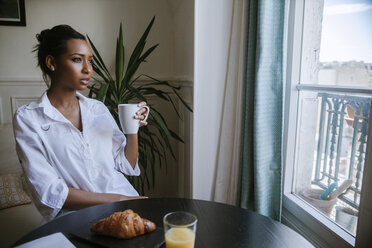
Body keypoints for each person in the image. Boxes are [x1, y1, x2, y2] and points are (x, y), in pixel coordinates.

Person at [13, 25, 148, 221]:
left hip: (125, 207)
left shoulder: (97, 109)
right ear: (51, 62)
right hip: (78, 219)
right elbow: (49, 191)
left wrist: (132, 127)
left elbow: (127, 164)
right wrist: (116, 200)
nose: (88, 69)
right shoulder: (29, 119)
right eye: (77, 59)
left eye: (90, 61)